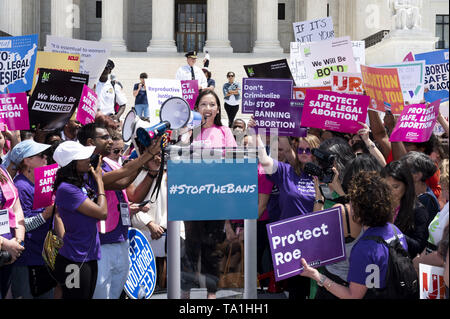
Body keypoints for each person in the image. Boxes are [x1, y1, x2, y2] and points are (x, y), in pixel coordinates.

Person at [77, 123, 161, 299]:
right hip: (100, 243)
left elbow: (131, 192)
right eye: (104, 137)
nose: (110, 141)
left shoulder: (109, 163)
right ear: (90, 142)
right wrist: (147, 155)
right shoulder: (84, 167)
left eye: (110, 137)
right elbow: (122, 176)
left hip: (120, 238)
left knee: (115, 294)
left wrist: (151, 171)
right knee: (100, 294)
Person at [301, 171, 408, 299]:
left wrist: (317, 276)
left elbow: (353, 296)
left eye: (352, 201)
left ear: (359, 210)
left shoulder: (364, 249)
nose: (349, 204)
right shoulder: (395, 230)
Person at [181, 90, 237, 300]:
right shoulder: (189, 131)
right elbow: (180, 155)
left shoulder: (225, 131)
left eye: (212, 104)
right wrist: (187, 134)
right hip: (191, 199)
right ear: (196, 108)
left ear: (218, 109)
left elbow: (233, 161)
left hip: (216, 199)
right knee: (191, 245)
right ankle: (185, 291)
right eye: (203, 104)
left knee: (212, 247)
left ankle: (211, 294)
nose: (208, 108)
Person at [313, 153, 382, 299]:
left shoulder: (341, 210)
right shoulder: (381, 211)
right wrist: (340, 191)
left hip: (337, 286)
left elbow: (316, 234)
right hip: (367, 285)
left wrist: (318, 196)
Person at [51, 141, 107, 299]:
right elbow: (102, 212)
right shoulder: (67, 189)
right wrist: (100, 182)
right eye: (83, 157)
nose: (89, 159)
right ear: (72, 164)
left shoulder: (78, 184)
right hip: (74, 259)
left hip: (87, 255)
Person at [8, 140, 55, 299]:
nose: (45, 158)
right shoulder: (21, 186)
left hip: (42, 256)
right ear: (27, 161)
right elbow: (20, 225)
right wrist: (45, 215)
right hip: (26, 260)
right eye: (41, 155)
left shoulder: (41, 184)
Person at [381, 160, 429, 258]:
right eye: (386, 187)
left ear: (407, 185)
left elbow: (418, 247)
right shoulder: (380, 205)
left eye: (395, 187)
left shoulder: (418, 211)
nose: (390, 192)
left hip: (402, 267)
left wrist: (393, 231)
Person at [0, 161, 25, 299]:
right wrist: (5, 244)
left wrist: (18, 242)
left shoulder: (2, 170)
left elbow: (17, 208)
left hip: (8, 252)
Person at [401, 151, 440, 225]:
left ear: (417, 176)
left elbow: (421, 234)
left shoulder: (426, 200)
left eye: (404, 170)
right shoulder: (415, 194)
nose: (399, 173)